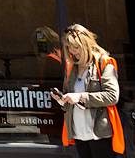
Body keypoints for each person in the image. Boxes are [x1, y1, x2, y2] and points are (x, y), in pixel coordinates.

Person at [53, 24, 125, 158]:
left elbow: (112, 96)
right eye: (69, 48)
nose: (73, 52)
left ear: (86, 44)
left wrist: (80, 97)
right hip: (78, 133)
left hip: (99, 133)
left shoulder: (104, 63)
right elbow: (70, 98)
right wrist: (63, 100)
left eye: (76, 47)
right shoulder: (71, 68)